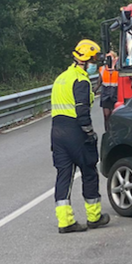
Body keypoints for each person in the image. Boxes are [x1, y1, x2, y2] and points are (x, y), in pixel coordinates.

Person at [50, 40, 111, 234]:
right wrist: (89, 133)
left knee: (64, 176)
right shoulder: (81, 81)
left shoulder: (61, 78)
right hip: (75, 131)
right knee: (89, 171)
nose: (96, 63)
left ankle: (65, 221)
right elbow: (82, 110)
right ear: (86, 60)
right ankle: (94, 217)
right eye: (94, 60)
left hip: (57, 132)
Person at [98, 51, 119, 132]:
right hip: (105, 93)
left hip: (116, 93)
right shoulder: (102, 69)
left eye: (110, 57)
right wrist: (93, 91)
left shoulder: (118, 68)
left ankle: (115, 132)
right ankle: (107, 132)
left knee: (115, 115)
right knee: (106, 115)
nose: (108, 59)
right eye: (107, 57)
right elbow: (99, 82)